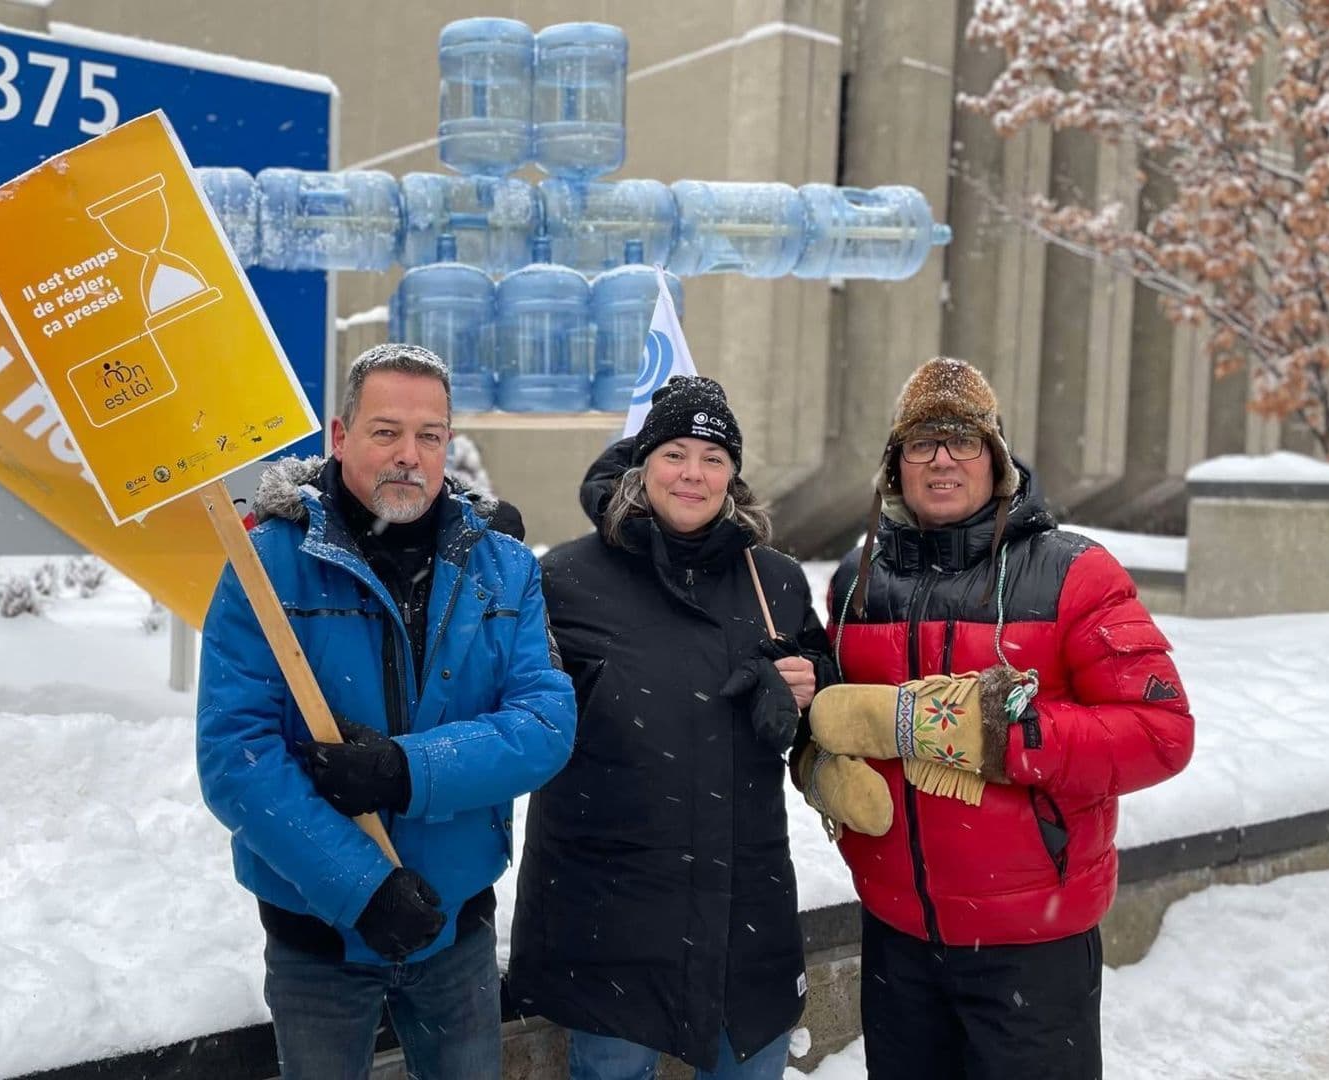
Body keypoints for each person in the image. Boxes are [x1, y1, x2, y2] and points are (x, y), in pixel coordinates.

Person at [802, 356, 1195, 1080]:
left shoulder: (1073, 572)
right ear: (895, 465)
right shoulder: (861, 578)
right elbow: (835, 711)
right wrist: (815, 765)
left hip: (1031, 944)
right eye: (921, 442)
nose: (942, 459)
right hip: (898, 936)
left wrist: (988, 731)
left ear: (997, 458)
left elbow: (1160, 733)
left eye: (964, 440)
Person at [196, 342, 578, 1080]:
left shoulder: (504, 570)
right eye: (385, 431)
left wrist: (407, 770)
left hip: (455, 929)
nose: (409, 454)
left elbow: (544, 725)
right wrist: (361, 889)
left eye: (429, 435)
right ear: (340, 439)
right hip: (319, 936)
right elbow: (236, 758)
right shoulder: (267, 566)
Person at [509, 375, 838, 1078]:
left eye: (713, 458)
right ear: (642, 464)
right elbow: (516, 709)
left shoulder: (773, 580)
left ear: (733, 476)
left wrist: (813, 683)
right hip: (612, 907)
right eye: (675, 453)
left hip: (744, 898)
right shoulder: (567, 577)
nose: (693, 473)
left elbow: (824, 691)